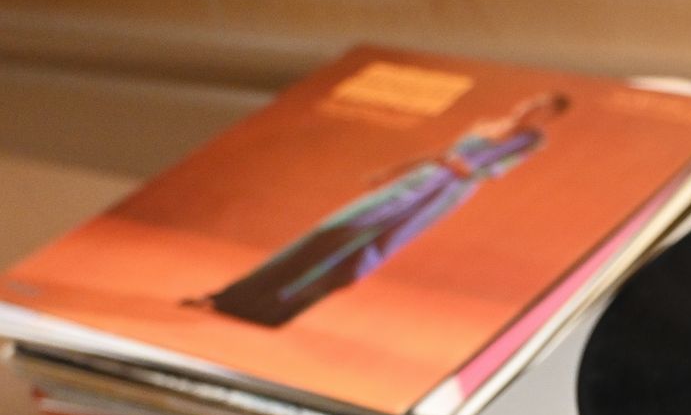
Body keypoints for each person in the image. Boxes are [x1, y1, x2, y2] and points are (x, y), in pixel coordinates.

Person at [189, 92, 570, 327]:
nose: (534, 109)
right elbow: (442, 153)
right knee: (334, 231)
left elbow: (488, 171)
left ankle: (277, 309)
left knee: (368, 252)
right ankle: (229, 297)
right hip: (421, 177)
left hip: (444, 192)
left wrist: (460, 167)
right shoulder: (488, 124)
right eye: (536, 102)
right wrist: (392, 171)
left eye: (544, 109)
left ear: (548, 117)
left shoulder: (531, 139)